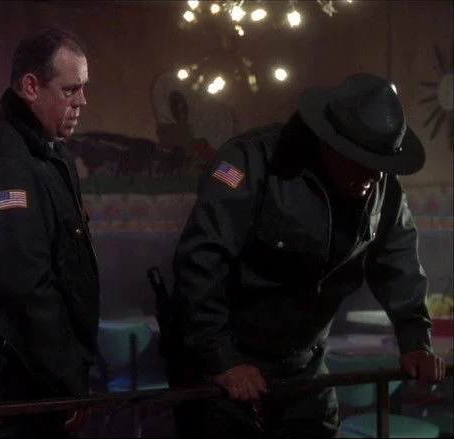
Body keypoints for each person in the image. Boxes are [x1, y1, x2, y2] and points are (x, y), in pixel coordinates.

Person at [170, 73, 448, 437]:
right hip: (227, 364)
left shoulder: (381, 183)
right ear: (329, 145)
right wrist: (221, 359)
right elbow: (201, 262)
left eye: (381, 166)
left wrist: (415, 341)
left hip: (305, 365)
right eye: (361, 163)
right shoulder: (252, 161)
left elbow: (399, 263)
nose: (374, 178)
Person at [0, 27, 99, 439]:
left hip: (51, 375)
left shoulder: (51, 153)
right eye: (70, 90)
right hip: (30, 382)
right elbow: (25, 285)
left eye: (82, 88)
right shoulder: (13, 160)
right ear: (31, 87)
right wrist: (68, 380)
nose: (82, 101)